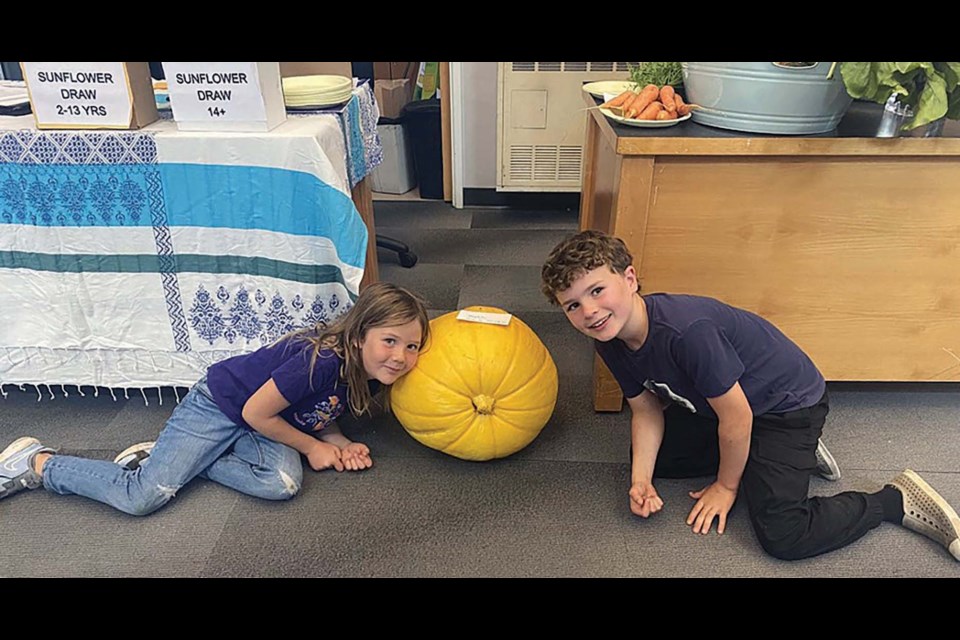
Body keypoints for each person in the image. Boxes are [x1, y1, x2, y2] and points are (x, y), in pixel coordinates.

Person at [540, 229, 960, 561]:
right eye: (572, 305)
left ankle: (891, 500)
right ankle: (774, 456)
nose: (589, 311)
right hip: (721, 404)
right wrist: (640, 481)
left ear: (629, 279)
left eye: (597, 291)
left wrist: (725, 485)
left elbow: (737, 417)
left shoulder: (687, 333)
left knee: (785, 536)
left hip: (786, 406)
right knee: (649, 459)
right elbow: (647, 411)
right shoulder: (608, 338)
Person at [0, 282, 430, 516]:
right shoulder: (316, 360)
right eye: (390, 341)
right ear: (357, 337)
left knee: (281, 484)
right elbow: (255, 411)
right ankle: (38, 462)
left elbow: (320, 408)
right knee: (141, 497)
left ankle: (177, 457)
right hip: (223, 406)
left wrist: (335, 441)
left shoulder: (371, 371)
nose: (401, 357)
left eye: (412, 347)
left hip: (266, 419)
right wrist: (315, 447)